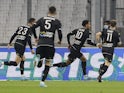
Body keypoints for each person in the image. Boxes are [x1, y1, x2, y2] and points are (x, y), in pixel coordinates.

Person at [32, 6, 62, 87]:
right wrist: (60, 40)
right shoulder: (57, 21)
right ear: (55, 12)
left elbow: (32, 27)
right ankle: (42, 82)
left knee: (39, 63)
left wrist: (35, 37)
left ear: (48, 11)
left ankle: (39, 58)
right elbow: (59, 32)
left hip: (40, 44)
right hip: (50, 45)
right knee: (48, 64)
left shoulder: (42, 19)